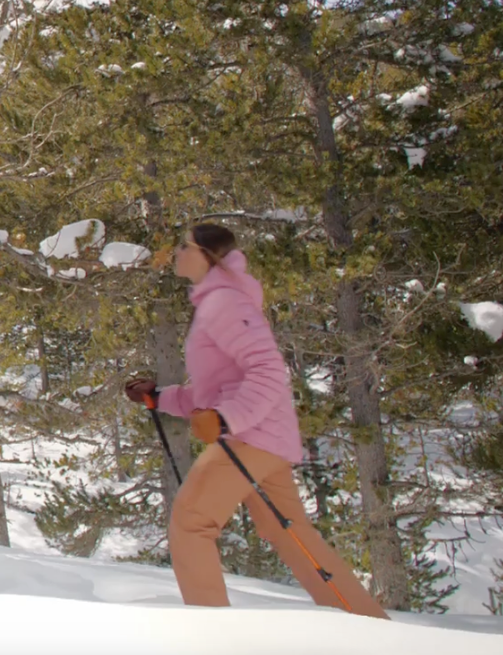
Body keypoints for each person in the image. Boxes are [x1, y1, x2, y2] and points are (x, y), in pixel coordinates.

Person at [124, 222, 388, 618]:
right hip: (263, 436)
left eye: (184, 246)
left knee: (191, 521)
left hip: (251, 436)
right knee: (290, 533)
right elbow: (214, 391)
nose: (177, 252)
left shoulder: (225, 303)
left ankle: (212, 634)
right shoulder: (218, 301)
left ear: (206, 256)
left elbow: (267, 371)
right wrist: (160, 397)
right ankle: (368, 625)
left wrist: (226, 420)